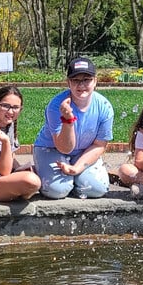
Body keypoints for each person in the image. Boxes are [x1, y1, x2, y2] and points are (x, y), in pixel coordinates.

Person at [33, 57, 113, 199]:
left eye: (86, 79)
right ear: (68, 82)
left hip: (84, 151)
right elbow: (64, 148)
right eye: (75, 80)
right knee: (56, 191)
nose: (81, 85)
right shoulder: (56, 106)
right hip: (51, 148)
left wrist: (77, 168)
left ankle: (75, 179)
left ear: (95, 81)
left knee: (97, 189)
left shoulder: (104, 107)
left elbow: (99, 145)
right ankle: (45, 171)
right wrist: (68, 120)